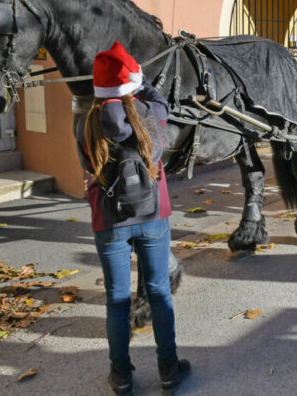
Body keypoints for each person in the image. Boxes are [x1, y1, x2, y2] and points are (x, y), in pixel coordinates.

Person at [75, 41, 190, 395]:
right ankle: (169, 369)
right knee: (158, 292)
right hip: (152, 214)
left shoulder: (83, 122)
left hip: (109, 221)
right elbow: (160, 100)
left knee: (117, 299)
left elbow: (86, 167)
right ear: (132, 82)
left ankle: (121, 375)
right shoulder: (149, 112)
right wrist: (140, 81)